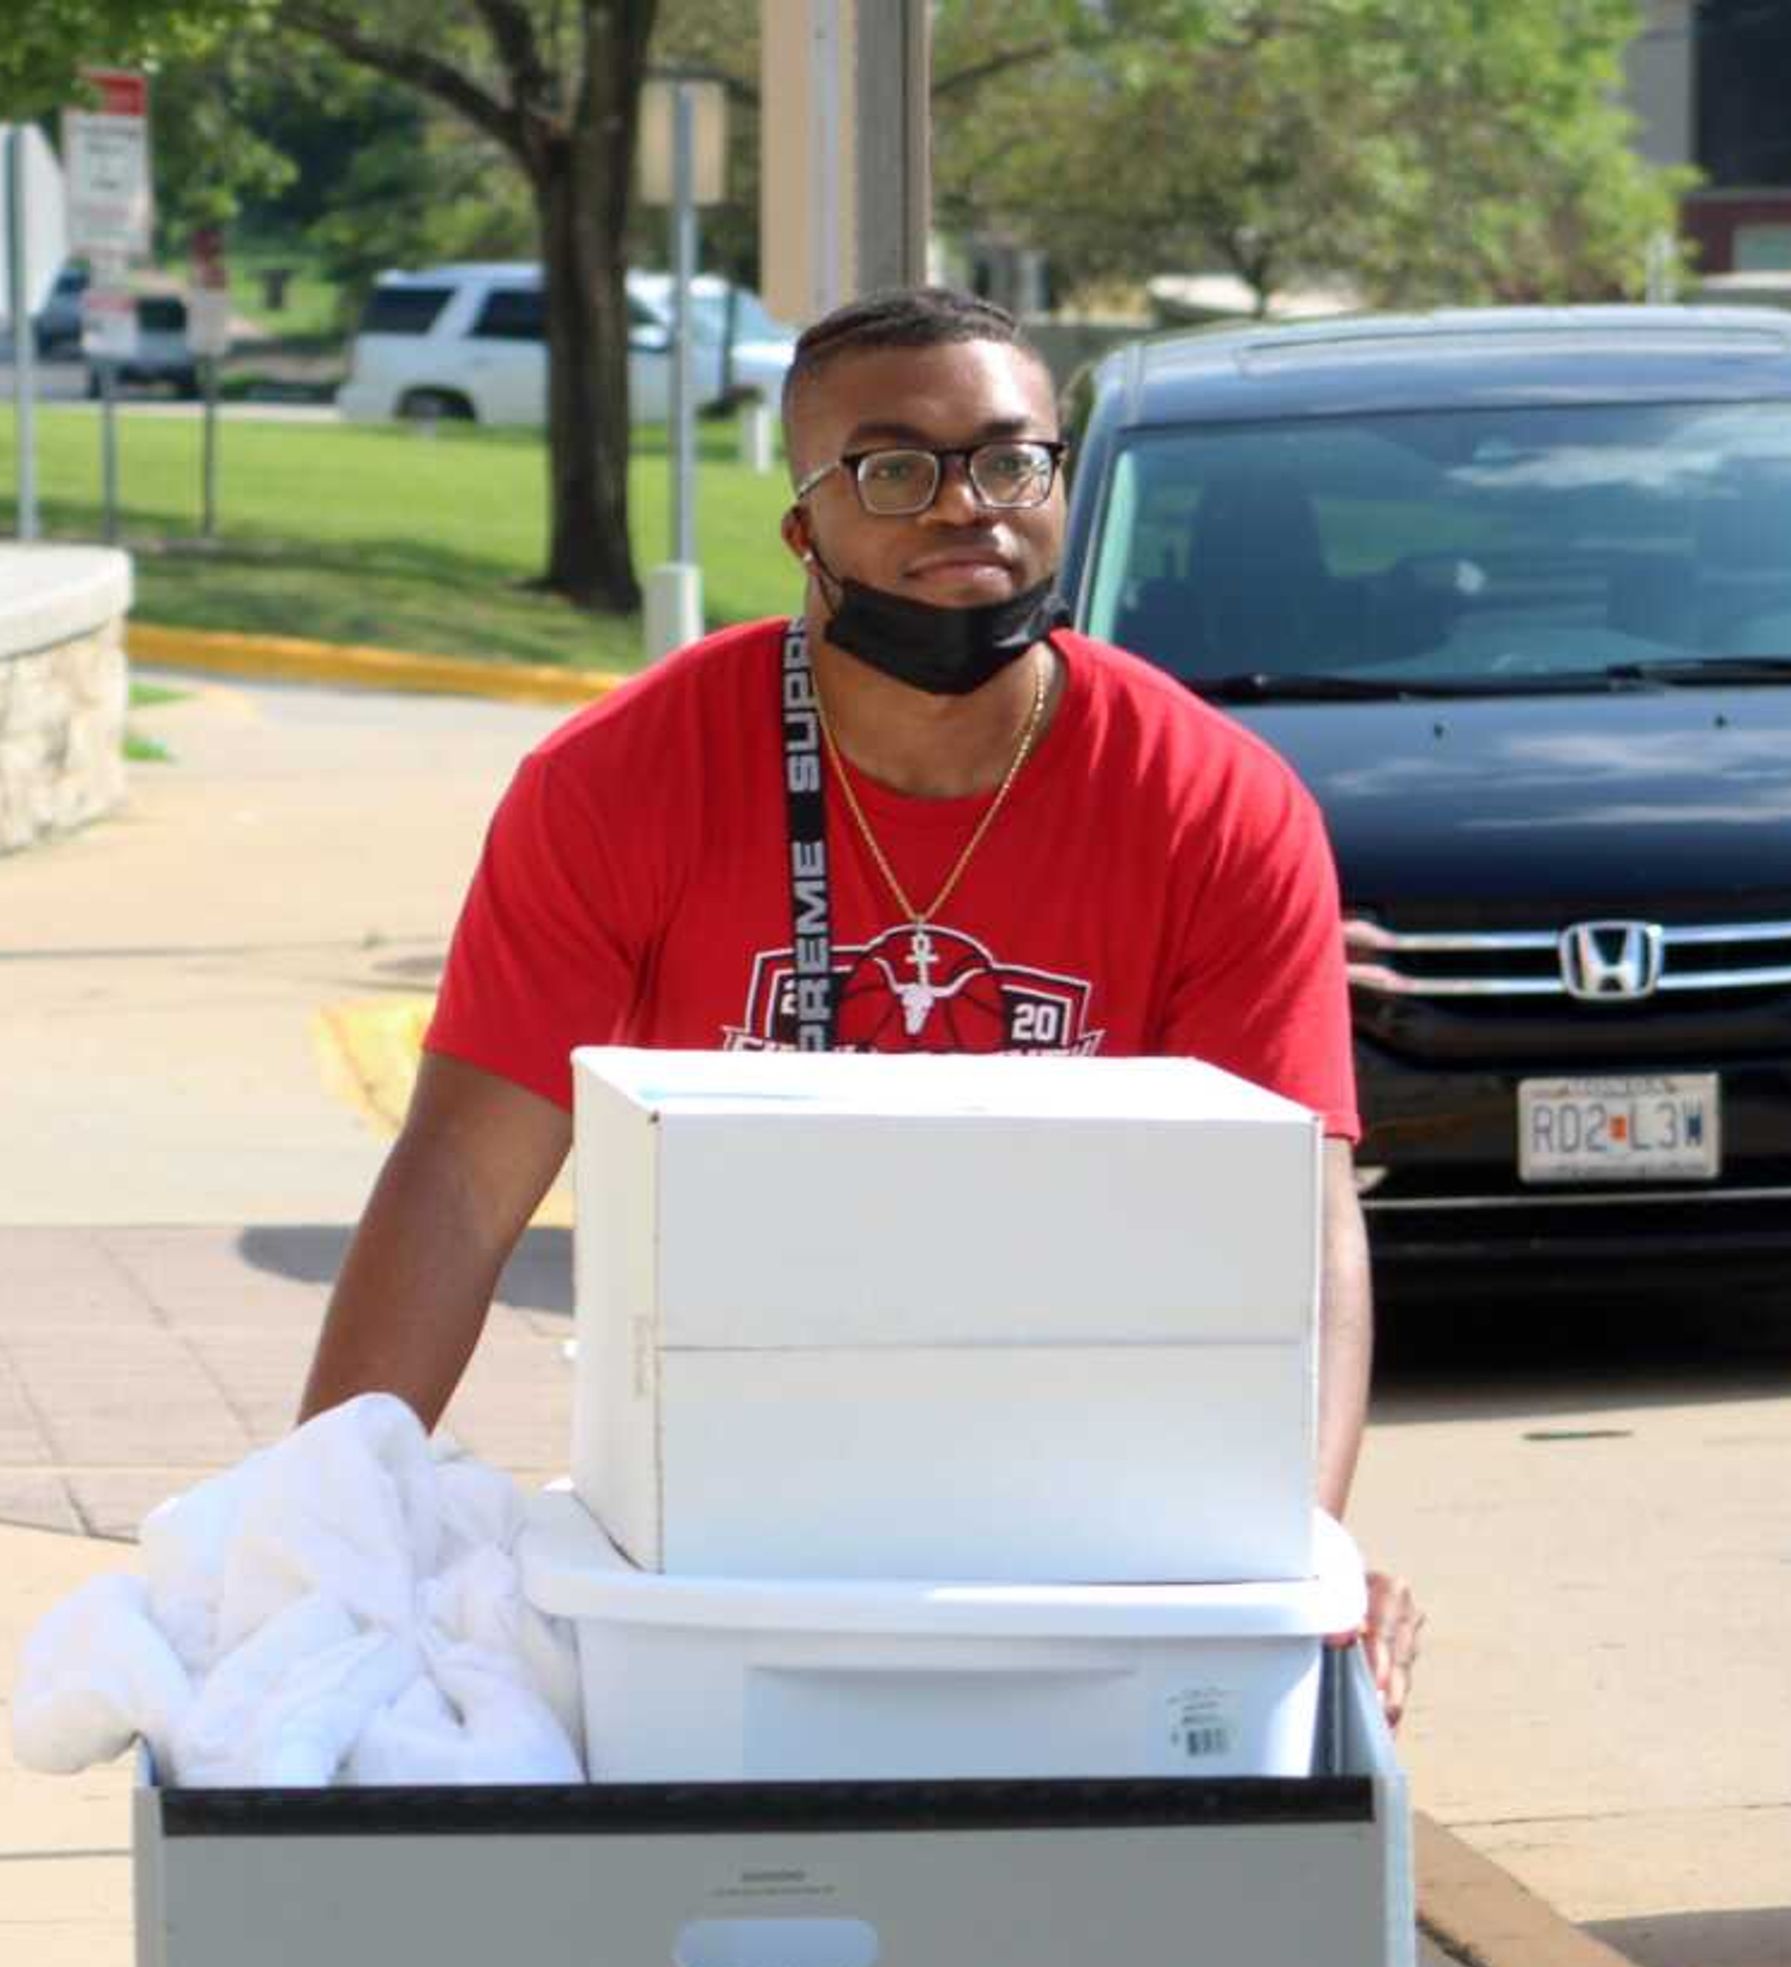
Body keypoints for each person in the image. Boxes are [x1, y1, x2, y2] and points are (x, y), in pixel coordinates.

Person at [299, 286, 1424, 1712]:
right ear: (803, 527)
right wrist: (313, 1537)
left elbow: (1299, 1233)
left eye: (1015, 461)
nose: (971, 508)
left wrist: (1294, 1563)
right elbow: (461, 1180)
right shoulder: (617, 787)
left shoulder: (1213, 802)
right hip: (720, 1498)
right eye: (897, 469)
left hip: (1089, 1487)